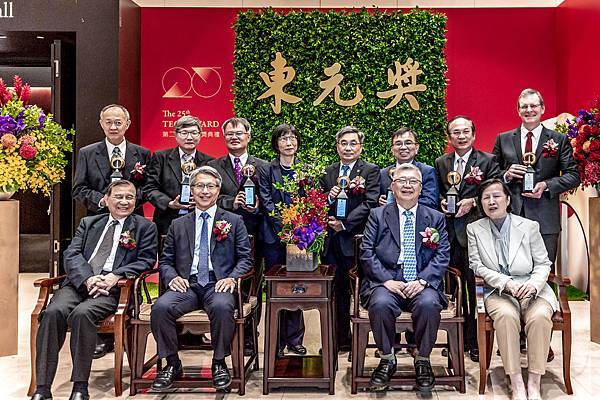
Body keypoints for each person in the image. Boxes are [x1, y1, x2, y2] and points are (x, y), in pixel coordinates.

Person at [31, 180, 158, 400]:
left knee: (82, 314)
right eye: (118, 196)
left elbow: (147, 260)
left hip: (113, 289)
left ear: (135, 202)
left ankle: (80, 386)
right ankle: (42, 388)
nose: (124, 202)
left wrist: (115, 276)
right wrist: (88, 279)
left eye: (130, 197)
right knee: (52, 313)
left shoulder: (145, 227)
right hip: (79, 284)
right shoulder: (89, 223)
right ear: (107, 200)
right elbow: (72, 254)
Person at [150, 166, 253, 391]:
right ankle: (172, 363)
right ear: (192, 190)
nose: (204, 191)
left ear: (218, 190)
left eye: (210, 186)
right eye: (199, 186)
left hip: (218, 284)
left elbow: (246, 258)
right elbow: (166, 261)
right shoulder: (178, 224)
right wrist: (172, 277)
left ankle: (219, 363)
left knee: (222, 307)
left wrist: (232, 278)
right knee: (161, 307)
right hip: (187, 285)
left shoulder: (234, 222)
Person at [360, 163, 450, 392]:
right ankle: (387, 358)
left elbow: (442, 254)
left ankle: (423, 360)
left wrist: (422, 281)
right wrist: (386, 280)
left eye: (413, 182)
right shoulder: (377, 215)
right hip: (387, 280)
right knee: (380, 303)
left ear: (421, 188)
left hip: (421, 280)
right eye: (402, 181)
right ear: (392, 186)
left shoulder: (435, 217)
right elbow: (366, 252)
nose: (407, 186)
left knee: (429, 304)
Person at [467, 178, 558, 400]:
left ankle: (534, 382)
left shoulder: (529, 227)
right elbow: (476, 265)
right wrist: (505, 283)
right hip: (498, 291)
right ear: (480, 202)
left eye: (496, 196)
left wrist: (533, 285)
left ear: (508, 199)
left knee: (539, 317)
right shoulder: (474, 229)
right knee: (506, 316)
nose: (491, 201)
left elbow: (544, 263)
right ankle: (516, 380)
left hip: (531, 288)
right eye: (486, 197)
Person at [434, 115, 500, 361]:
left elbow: (494, 191)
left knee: (476, 290)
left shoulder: (488, 160)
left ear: (473, 135)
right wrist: (442, 200)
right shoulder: (442, 162)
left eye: (465, 132)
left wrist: (473, 202)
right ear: (449, 138)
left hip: (476, 235)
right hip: (449, 237)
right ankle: (457, 339)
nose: (460, 136)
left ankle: (476, 340)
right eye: (455, 133)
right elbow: (439, 190)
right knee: (453, 291)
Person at [492, 88, 579, 268]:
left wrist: (547, 185)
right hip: (511, 215)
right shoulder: (504, 139)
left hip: (545, 220)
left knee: (543, 272)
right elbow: (491, 175)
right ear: (518, 110)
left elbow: (573, 175)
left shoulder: (559, 139)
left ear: (542, 108)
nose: (529, 110)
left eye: (533, 105)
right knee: (511, 271)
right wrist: (506, 175)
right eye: (524, 106)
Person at [208, 117, 268, 353]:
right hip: (224, 237)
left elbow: (271, 198)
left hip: (257, 235)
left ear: (248, 137)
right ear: (224, 138)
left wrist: (259, 205)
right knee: (225, 283)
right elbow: (208, 197)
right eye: (229, 134)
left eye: (239, 133)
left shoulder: (262, 166)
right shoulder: (214, 166)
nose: (234, 137)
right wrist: (231, 202)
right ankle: (228, 336)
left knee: (253, 286)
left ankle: (251, 337)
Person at [320, 126, 380, 352]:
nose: (348, 147)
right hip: (331, 242)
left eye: (353, 143)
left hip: (356, 241)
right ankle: (340, 340)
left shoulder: (370, 171)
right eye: (343, 143)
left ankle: (363, 342)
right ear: (337, 147)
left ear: (360, 146)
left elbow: (371, 202)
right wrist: (328, 198)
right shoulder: (328, 171)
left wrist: (345, 224)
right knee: (337, 292)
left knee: (360, 290)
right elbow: (318, 202)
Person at [258, 124, 306, 358]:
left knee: (297, 287)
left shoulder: (305, 169)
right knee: (276, 290)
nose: (289, 142)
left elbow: (310, 201)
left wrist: (299, 229)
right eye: (284, 138)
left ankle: (295, 339)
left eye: (293, 138)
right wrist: (284, 227)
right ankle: (275, 341)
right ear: (276, 143)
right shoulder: (267, 170)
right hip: (274, 237)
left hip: (301, 238)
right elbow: (266, 202)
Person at [73, 104, 151, 216]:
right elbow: (79, 188)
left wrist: (128, 201)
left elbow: (148, 186)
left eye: (118, 123)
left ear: (127, 124)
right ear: (101, 124)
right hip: (98, 216)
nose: (113, 127)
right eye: (108, 122)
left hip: (134, 216)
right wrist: (102, 201)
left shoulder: (142, 153)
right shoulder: (87, 153)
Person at [144, 115, 213, 236]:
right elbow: (149, 188)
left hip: (200, 219)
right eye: (184, 133)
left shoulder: (210, 162)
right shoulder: (161, 158)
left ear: (200, 135)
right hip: (167, 220)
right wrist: (169, 203)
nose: (189, 137)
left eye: (194, 133)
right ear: (175, 135)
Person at [379, 127, 438, 209]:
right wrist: (379, 201)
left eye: (408, 143)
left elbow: (430, 201)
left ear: (416, 147)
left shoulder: (427, 171)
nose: (403, 147)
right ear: (392, 149)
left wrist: (398, 204)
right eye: (398, 143)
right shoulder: (383, 173)